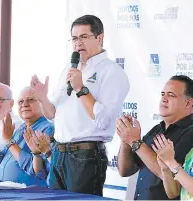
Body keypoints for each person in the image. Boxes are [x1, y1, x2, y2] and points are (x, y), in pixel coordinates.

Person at [30, 14, 129, 195]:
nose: (78, 43)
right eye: (74, 38)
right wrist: (42, 98)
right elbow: (52, 114)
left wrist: (81, 89)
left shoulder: (112, 72)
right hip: (58, 152)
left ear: (100, 37)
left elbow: (104, 120)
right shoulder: (69, 68)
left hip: (86, 156)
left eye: (84, 37)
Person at [116, 75, 193, 200]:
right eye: (162, 94)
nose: (164, 99)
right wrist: (125, 141)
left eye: (171, 95)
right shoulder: (156, 130)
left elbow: (172, 177)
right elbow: (125, 171)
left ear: (188, 102)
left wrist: (135, 141)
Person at [0, 87, 54, 186]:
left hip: (26, 194)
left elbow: (40, 172)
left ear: (42, 102)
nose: (24, 104)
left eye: (30, 100)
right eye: (20, 101)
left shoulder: (47, 129)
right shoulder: (21, 128)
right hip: (1, 190)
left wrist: (10, 142)